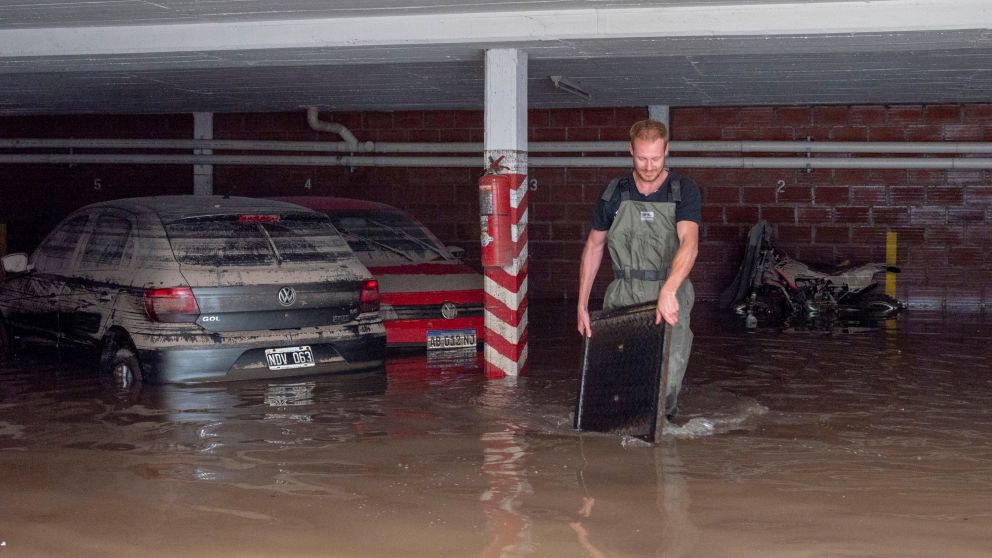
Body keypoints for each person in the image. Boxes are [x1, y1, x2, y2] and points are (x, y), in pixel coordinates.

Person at [576, 119, 701, 417]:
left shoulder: (683, 190)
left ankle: (663, 429)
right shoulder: (614, 193)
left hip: (669, 291)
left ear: (666, 150)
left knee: (665, 380)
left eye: (656, 158)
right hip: (623, 292)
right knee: (618, 380)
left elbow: (690, 244)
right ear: (630, 150)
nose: (648, 165)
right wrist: (582, 304)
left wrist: (668, 290)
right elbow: (594, 246)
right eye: (642, 158)